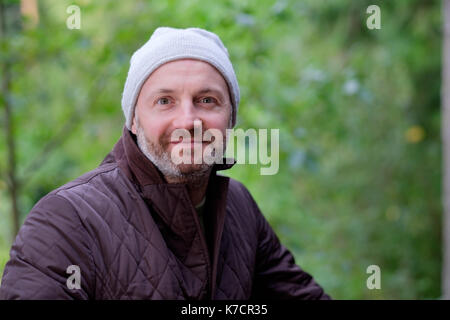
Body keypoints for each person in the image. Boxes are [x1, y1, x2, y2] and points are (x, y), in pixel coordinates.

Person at [0, 27, 331, 300]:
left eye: (207, 100)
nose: (188, 120)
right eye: (164, 101)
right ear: (134, 121)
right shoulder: (67, 219)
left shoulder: (239, 208)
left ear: (230, 118)